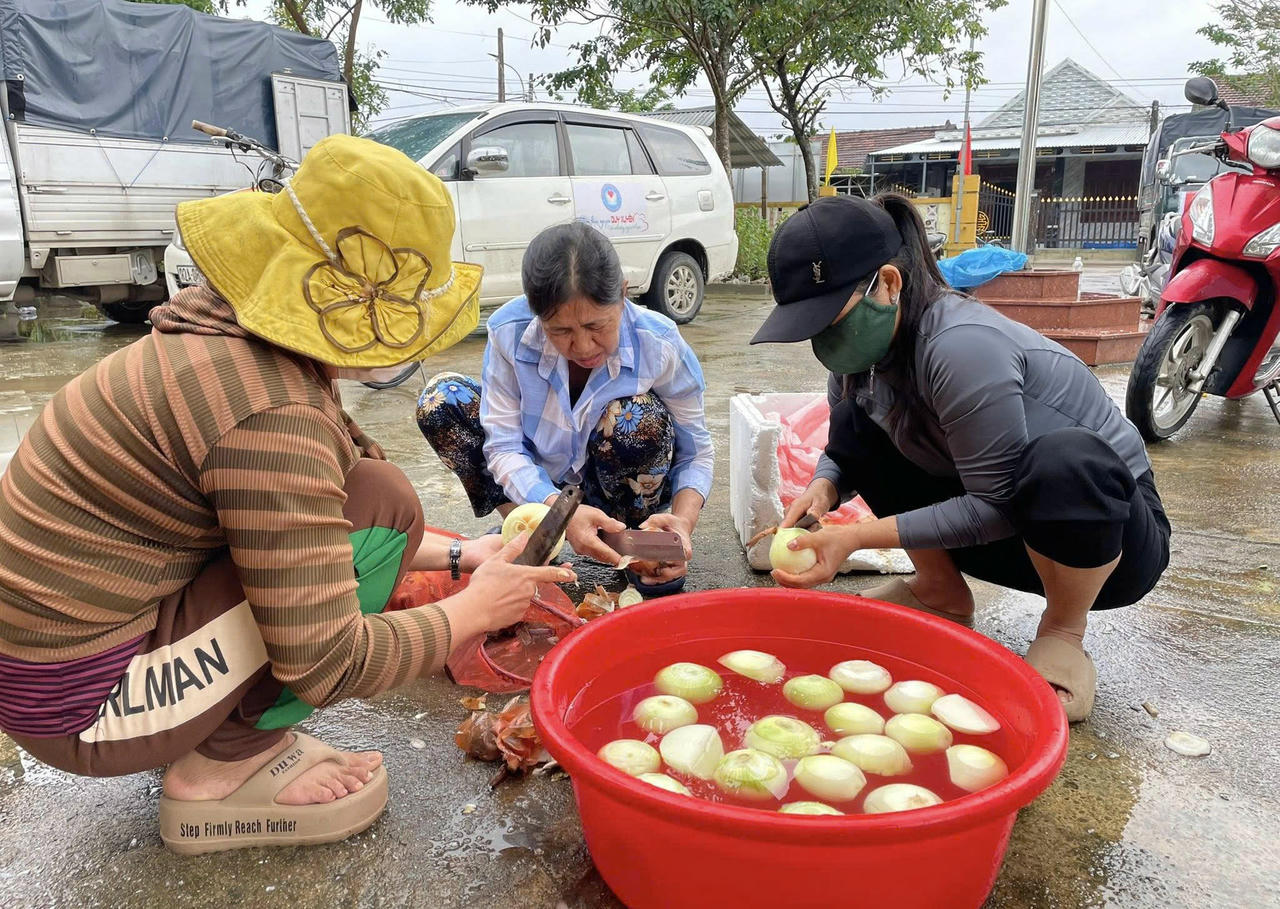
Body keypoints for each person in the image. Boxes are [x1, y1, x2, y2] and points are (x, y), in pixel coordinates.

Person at [0, 135, 576, 854]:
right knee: (379, 508)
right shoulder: (270, 415)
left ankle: (217, 732)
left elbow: (321, 517)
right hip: (80, 704)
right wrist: (471, 612)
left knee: (380, 502)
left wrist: (467, 553)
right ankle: (219, 762)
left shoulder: (229, 334)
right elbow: (328, 659)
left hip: (65, 652)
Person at [751, 194, 1171, 723]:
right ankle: (938, 591)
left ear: (887, 283)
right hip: (1011, 532)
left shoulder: (961, 345)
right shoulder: (863, 356)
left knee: (1065, 461)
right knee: (866, 417)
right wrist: (825, 488)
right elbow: (846, 450)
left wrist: (853, 536)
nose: (823, 340)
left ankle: (1064, 630)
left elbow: (996, 504)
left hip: (1104, 539)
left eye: (830, 319)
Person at [418, 222, 713, 594]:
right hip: (543, 489)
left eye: (596, 326)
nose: (584, 346)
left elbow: (696, 451)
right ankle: (535, 534)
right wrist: (557, 511)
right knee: (443, 401)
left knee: (637, 418)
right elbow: (504, 446)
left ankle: (638, 546)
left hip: (615, 490)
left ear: (623, 297)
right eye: (561, 332)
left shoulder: (658, 343)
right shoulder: (509, 333)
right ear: (537, 314)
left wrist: (682, 524)